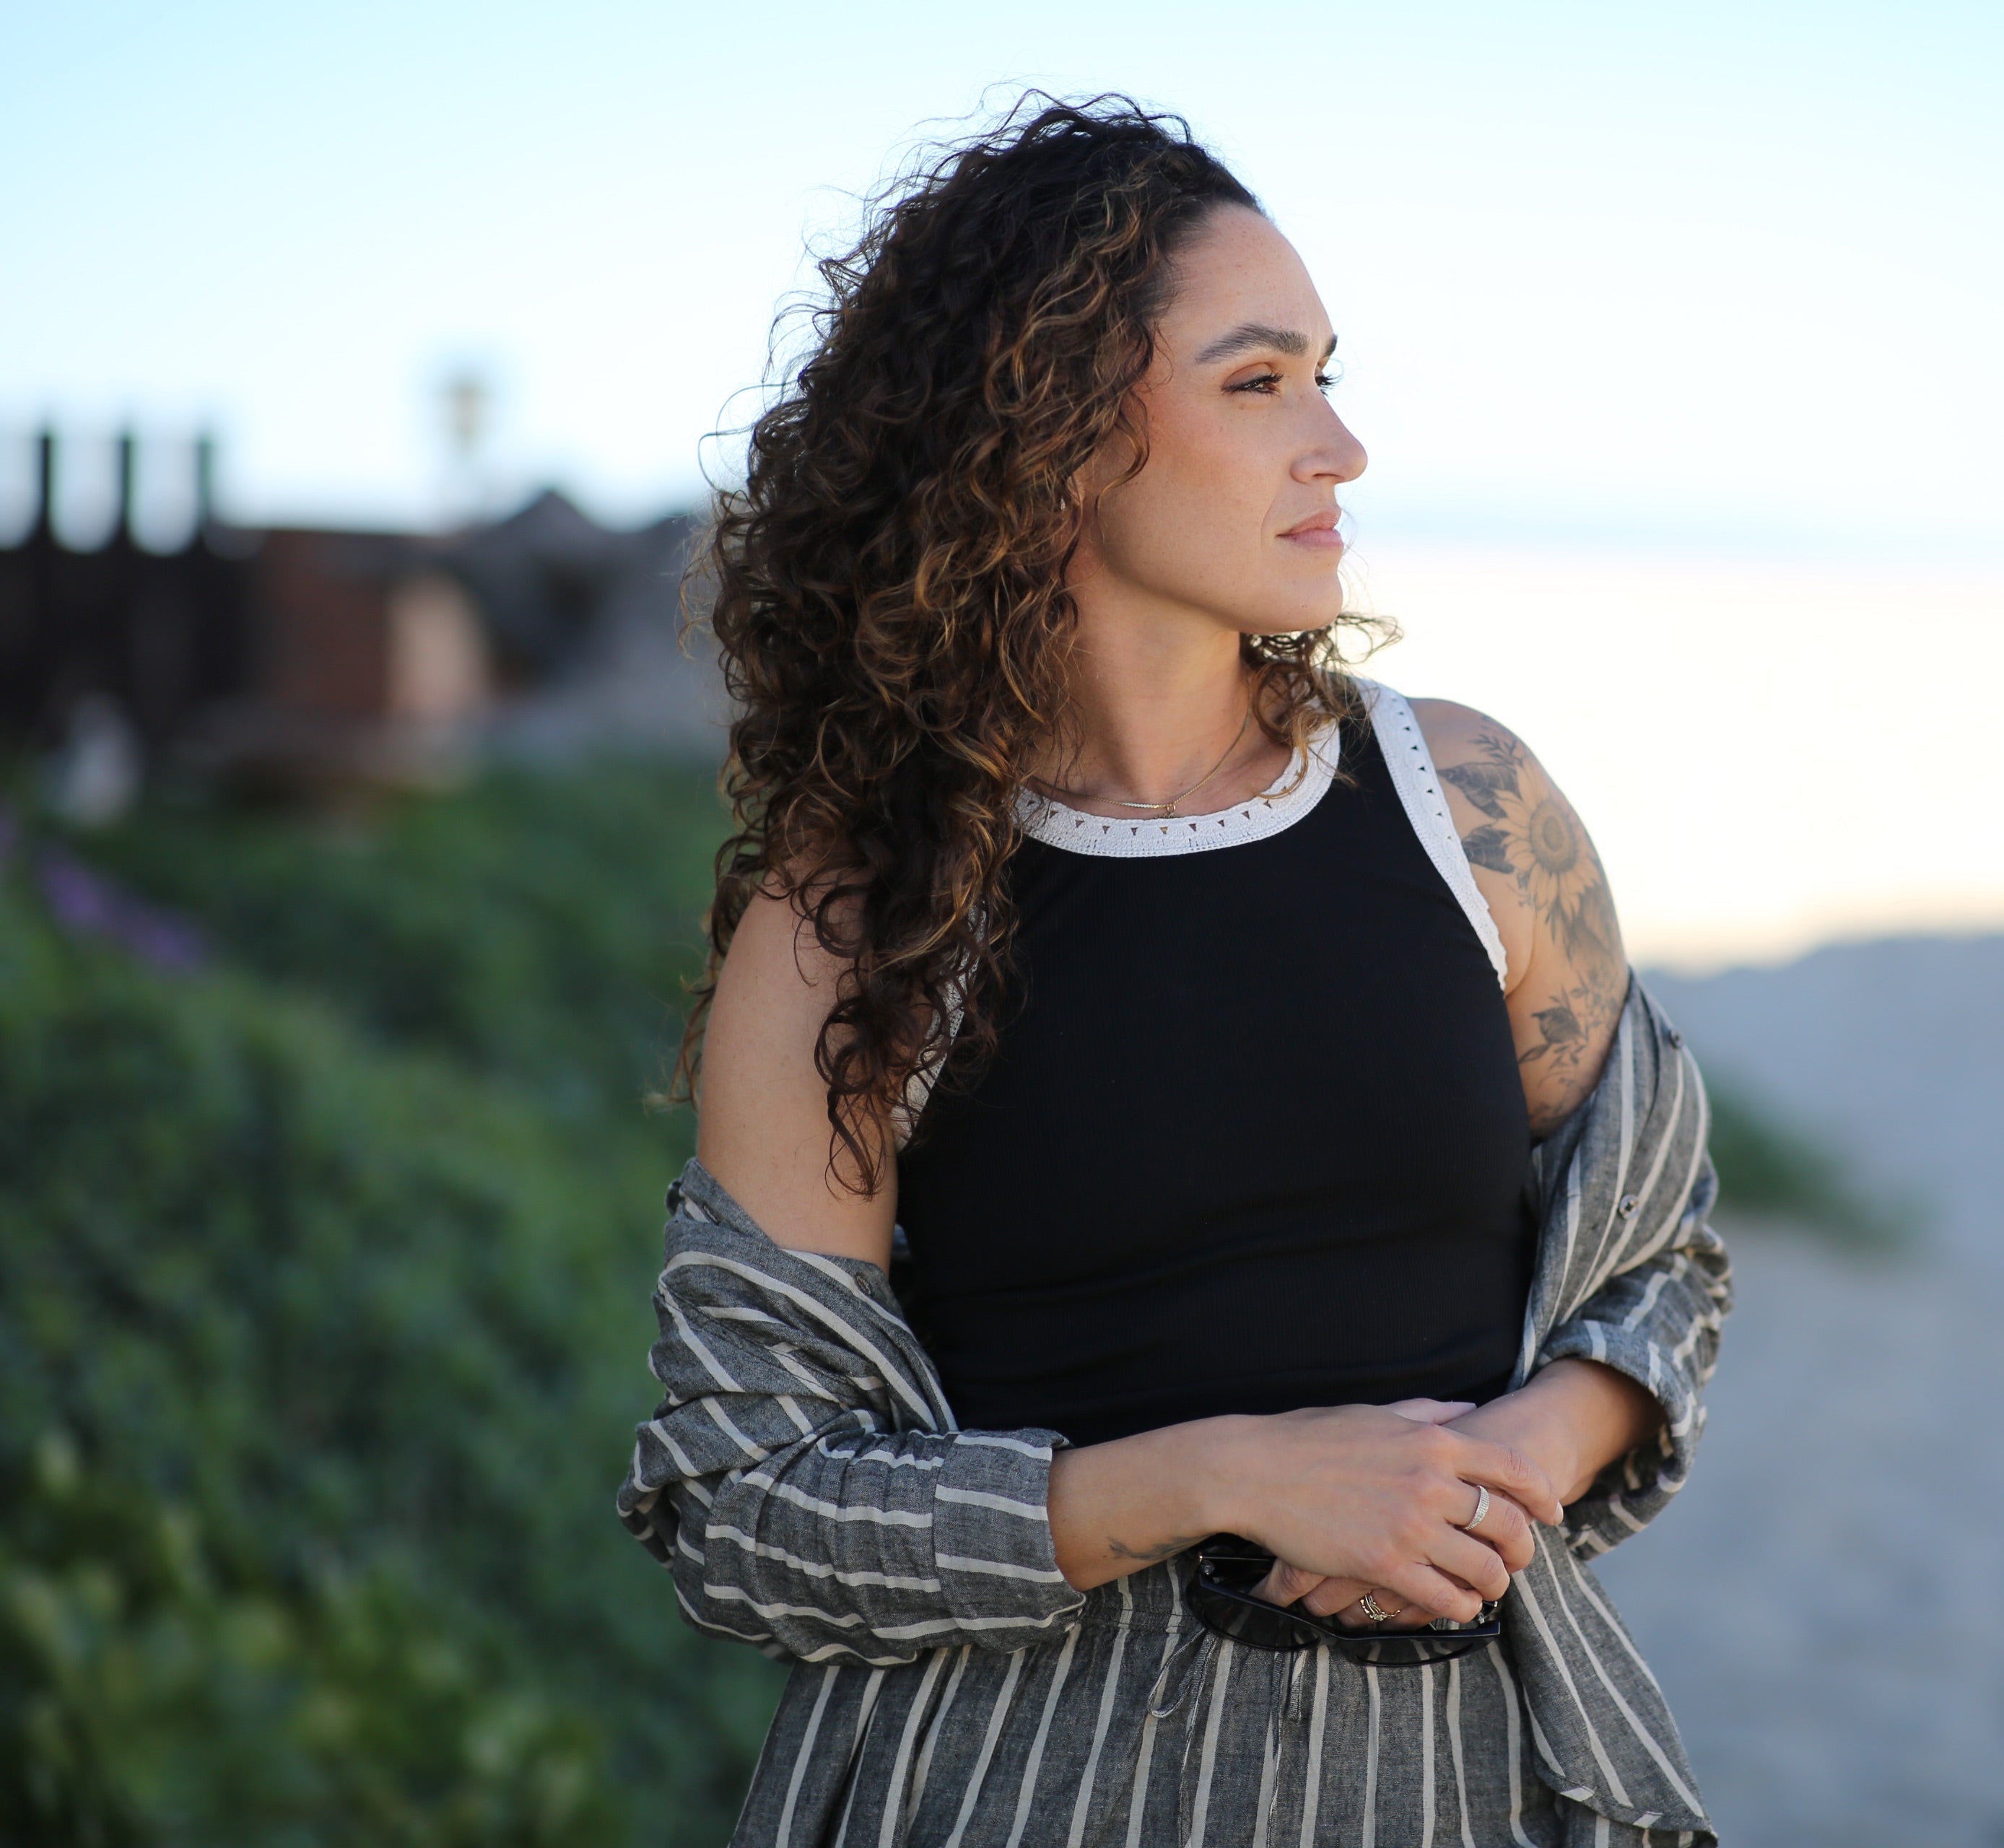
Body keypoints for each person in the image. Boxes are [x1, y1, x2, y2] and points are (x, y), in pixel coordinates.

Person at [617, 96, 1730, 1847]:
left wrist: (1507, 1464)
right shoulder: (864, 916)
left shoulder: (1471, 809)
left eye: (1329, 373)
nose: (1342, 445)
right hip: (1019, 1790)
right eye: (1258, 380)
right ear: (1049, 433)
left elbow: (1657, 1251)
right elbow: (746, 1506)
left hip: (1471, 1784)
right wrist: (1220, 1474)